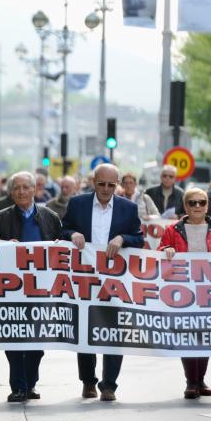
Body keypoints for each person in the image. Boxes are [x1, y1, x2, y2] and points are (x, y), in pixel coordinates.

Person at [61, 163, 143, 402]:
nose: (106, 189)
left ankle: (109, 385)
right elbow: (63, 229)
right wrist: (72, 234)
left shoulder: (129, 208)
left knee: (114, 331)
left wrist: (122, 238)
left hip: (115, 281)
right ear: (93, 182)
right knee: (85, 330)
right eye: (102, 184)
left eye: (111, 184)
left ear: (117, 184)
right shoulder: (78, 204)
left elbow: (139, 239)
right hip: (84, 278)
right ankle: (88, 382)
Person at [158, 188, 211, 399]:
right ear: (185, 206)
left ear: (207, 205)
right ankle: (191, 381)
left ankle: (200, 378)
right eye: (192, 203)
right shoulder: (172, 230)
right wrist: (165, 249)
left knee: (205, 335)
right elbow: (158, 253)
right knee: (187, 336)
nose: (197, 206)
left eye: (201, 202)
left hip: (209, 292)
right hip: (182, 291)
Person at [0, 171, 62, 402]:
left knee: (36, 342)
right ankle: (18, 386)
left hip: (41, 290)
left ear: (35, 190)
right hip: (11, 290)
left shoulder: (50, 216)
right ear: (10, 192)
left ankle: (30, 384)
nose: (21, 192)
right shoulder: (1, 218)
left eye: (26, 187)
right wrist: (0, 244)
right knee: (13, 340)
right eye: (17, 188)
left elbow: (63, 248)